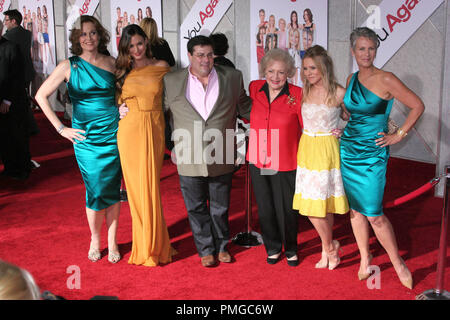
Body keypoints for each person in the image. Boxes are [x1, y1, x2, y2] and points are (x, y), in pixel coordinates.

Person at [121, 35, 252, 267]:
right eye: (200, 55)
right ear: (190, 56)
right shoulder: (171, 80)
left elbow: (246, 108)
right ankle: (205, 250)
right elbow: (156, 110)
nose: (205, 60)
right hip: (187, 152)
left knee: (220, 207)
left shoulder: (232, 77)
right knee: (196, 207)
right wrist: (124, 106)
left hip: (221, 150)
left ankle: (222, 246)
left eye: (210, 55)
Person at [340, 27, 424, 289]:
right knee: (355, 210)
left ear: (376, 50)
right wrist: (338, 121)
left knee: (374, 213)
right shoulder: (351, 78)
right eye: (362, 48)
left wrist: (398, 134)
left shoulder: (387, 79)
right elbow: (349, 113)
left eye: (371, 48)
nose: (367, 53)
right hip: (349, 149)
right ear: (353, 51)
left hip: (373, 154)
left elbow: (417, 105)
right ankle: (365, 258)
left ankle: (397, 261)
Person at [35, 16, 122, 264]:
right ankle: (96, 238)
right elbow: (41, 96)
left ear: (100, 36)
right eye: (83, 34)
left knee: (113, 189)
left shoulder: (112, 64)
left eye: (93, 33)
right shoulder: (68, 66)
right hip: (85, 138)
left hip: (113, 134)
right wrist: (61, 128)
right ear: (77, 38)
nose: (89, 38)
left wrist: (122, 109)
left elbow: (124, 95)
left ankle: (113, 240)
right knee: (95, 190)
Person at [115, 24, 176, 266]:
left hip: (153, 128)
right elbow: (112, 97)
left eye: (139, 43)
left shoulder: (161, 67)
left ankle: (155, 243)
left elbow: (176, 95)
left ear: (146, 42)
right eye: (131, 46)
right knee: (136, 191)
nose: (136, 49)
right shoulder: (122, 70)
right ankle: (144, 244)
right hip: (129, 130)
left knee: (150, 187)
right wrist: (116, 107)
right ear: (125, 48)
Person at [292, 45, 349, 270]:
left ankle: (329, 248)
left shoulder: (339, 92)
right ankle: (329, 246)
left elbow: (355, 119)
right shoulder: (303, 91)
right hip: (307, 149)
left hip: (327, 150)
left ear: (324, 67)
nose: (308, 73)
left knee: (321, 206)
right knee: (310, 206)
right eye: (305, 68)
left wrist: (345, 130)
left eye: (312, 68)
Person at [247, 48, 303, 267]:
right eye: (271, 71)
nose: (275, 77)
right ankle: (272, 247)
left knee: (287, 208)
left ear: (288, 72)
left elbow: (307, 126)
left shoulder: (297, 94)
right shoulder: (254, 88)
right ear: (264, 71)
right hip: (258, 156)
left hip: (286, 158)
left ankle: (290, 248)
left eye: (281, 72)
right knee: (265, 205)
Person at [0, 20, 30, 180]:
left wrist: (7, 101)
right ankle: (9, 167)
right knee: (3, 139)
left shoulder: (11, 48)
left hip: (11, 102)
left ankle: (23, 169)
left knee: (16, 136)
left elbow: (17, 77)